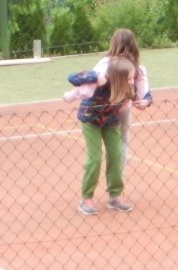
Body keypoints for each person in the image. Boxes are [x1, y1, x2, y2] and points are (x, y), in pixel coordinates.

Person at [65, 55, 139, 215]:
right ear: (118, 79)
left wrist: (146, 100)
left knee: (116, 155)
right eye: (129, 78)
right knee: (95, 158)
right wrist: (94, 76)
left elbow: (140, 97)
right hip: (91, 120)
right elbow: (72, 78)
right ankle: (86, 198)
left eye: (133, 78)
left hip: (111, 121)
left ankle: (115, 195)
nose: (132, 81)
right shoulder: (101, 84)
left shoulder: (128, 88)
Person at [78, 29, 152, 166]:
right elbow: (144, 95)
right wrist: (146, 101)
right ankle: (117, 175)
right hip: (122, 109)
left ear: (113, 44)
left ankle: (111, 174)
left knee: (97, 150)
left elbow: (91, 80)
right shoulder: (138, 68)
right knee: (122, 141)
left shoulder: (105, 63)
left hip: (99, 109)